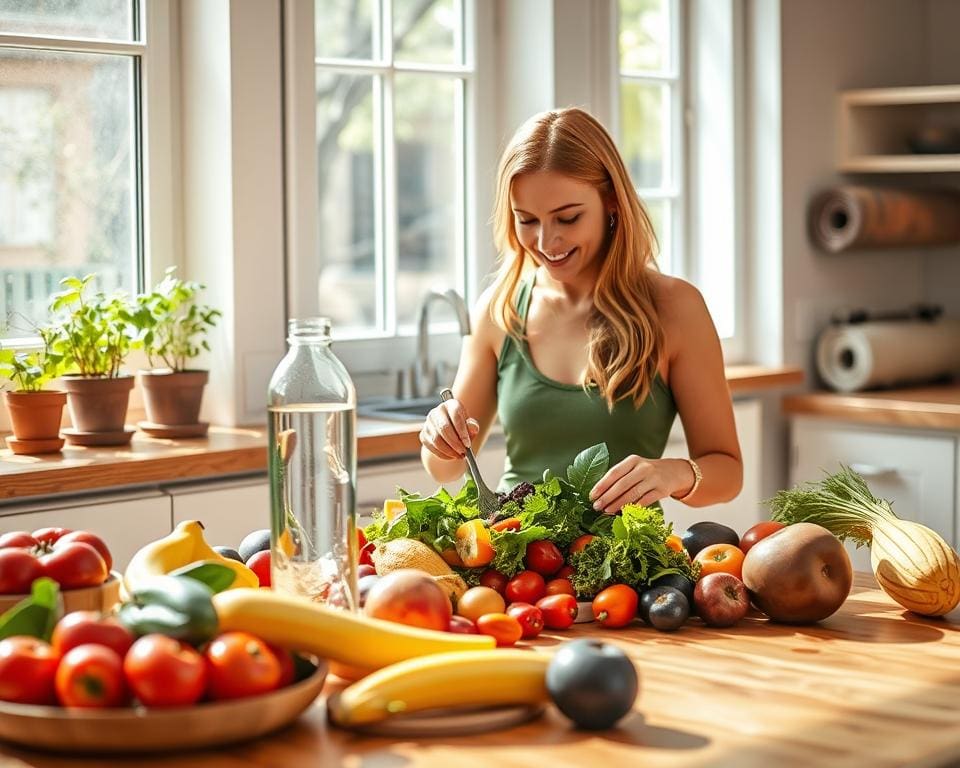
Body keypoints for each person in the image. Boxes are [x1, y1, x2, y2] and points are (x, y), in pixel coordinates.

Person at [419, 107, 742, 513]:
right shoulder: (500, 310)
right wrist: (439, 434)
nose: (547, 241)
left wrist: (672, 473)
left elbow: (727, 471)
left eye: (568, 218)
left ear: (611, 203)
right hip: (518, 562)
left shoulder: (675, 309)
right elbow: (443, 468)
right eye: (527, 220)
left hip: (626, 569)